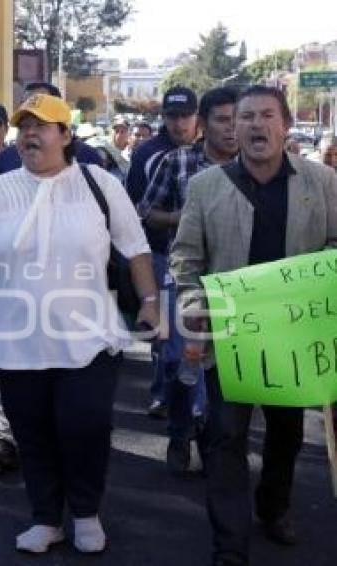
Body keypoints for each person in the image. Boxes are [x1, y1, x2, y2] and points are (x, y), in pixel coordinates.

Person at [0, 93, 159, 555]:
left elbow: (136, 246)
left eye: (41, 126)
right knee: (32, 430)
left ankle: (85, 512)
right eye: (23, 126)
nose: (29, 134)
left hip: (87, 335)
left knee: (82, 424)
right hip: (15, 336)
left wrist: (150, 302)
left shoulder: (98, 182)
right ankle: (46, 517)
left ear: (65, 135)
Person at [170, 85, 337, 566]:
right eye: (245, 117)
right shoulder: (206, 186)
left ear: (285, 125)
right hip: (230, 337)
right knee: (226, 437)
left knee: (286, 434)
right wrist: (193, 300)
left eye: (267, 115)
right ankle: (230, 544)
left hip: (292, 338)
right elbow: (185, 255)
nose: (257, 125)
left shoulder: (322, 182)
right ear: (230, 127)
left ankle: (273, 507)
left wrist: (320, 270)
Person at [139, 87, 239, 475]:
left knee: (228, 370)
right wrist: (185, 218)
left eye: (238, 119)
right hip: (186, 282)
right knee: (184, 363)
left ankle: (213, 436)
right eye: (223, 120)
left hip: (238, 286)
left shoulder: (254, 167)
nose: (232, 129)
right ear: (205, 122)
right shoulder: (177, 162)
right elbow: (147, 211)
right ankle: (180, 432)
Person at [126, 86, 199, 419]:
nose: (179, 123)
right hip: (158, 254)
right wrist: (177, 220)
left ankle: (193, 403)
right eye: (172, 116)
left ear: (197, 117)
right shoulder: (148, 153)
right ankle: (163, 395)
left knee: (192, 335)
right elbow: (137, 210)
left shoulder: (213, 151)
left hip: (207, 262)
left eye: (185, 116)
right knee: (165, 336)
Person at [0, 82, 103, 179]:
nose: (31, 107)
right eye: (24, 126)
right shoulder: (5, 159)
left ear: (65, 136)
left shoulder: (89, 160)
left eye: (40, 124)